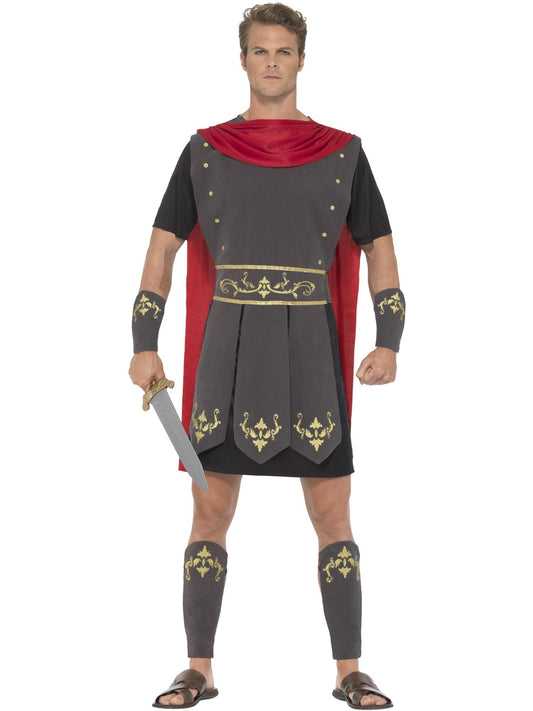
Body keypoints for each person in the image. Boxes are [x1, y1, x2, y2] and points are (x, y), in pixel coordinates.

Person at [129, 3, 404, 708]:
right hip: (226, 353)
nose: (272, 62)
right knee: (208, 515)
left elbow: (378, 246)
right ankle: (198, 668)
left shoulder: (342, 151)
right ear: (243, 59)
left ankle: (349, 671)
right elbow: (163, 245)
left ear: (302, 59)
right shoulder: (205, 149)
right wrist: (142, 344)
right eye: (260, 51)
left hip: (312, 352)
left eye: (284, 51)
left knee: (334, 516)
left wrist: (388, 339)